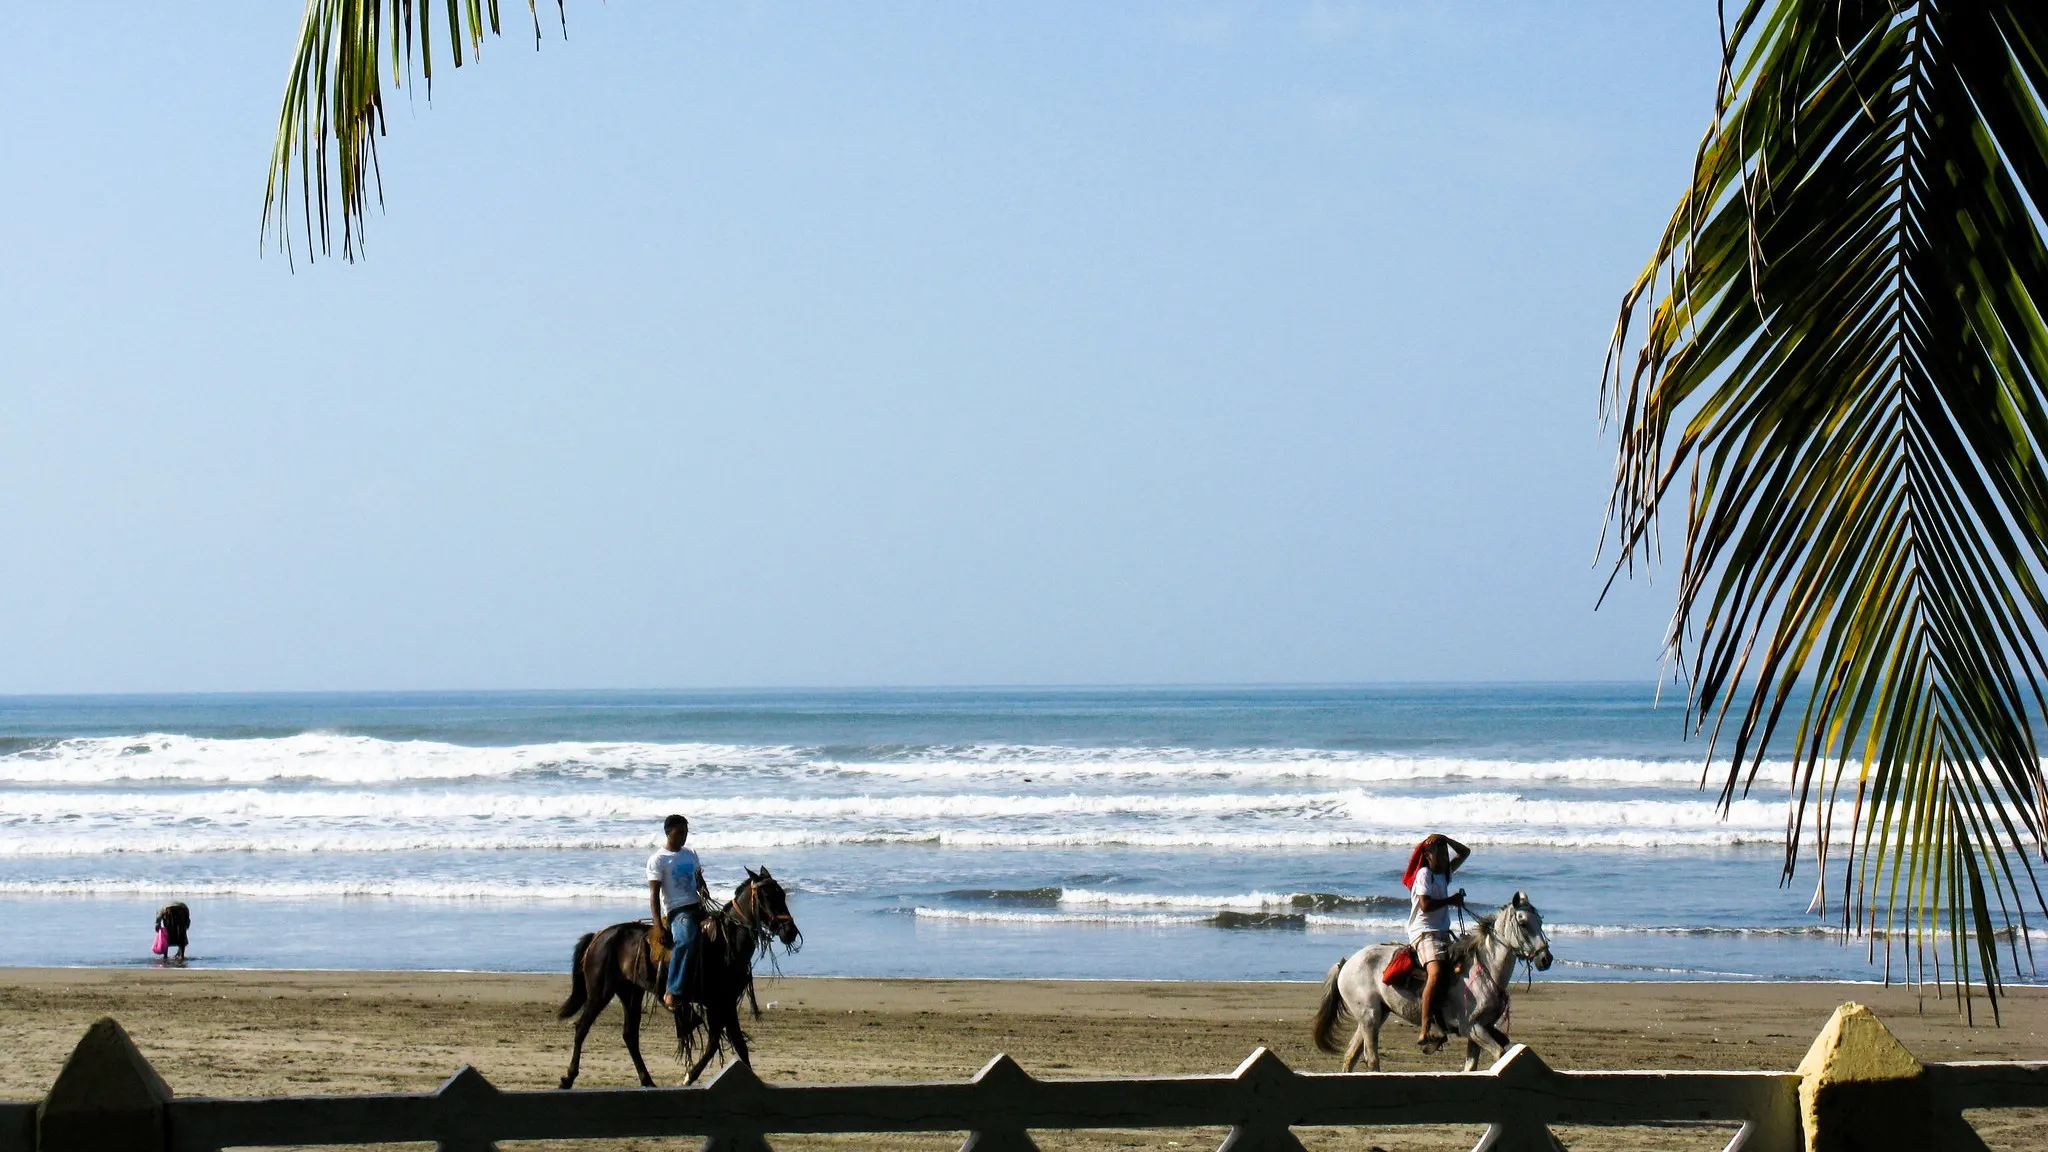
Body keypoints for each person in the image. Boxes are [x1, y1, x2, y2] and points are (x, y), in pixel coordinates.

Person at [1402, 832, 1470, 1051]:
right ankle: (1425, 1027)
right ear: (1428, 855)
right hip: (1423, 932)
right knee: (1437, 972)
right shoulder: (1424, 874)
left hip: (1442, 931)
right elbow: (1425, 905)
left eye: (1444, 852)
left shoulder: (1444, 873)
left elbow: (1465, 852)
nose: (1442, 855)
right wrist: (1452, 900)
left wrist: (1447, 839)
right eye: (1438, 852)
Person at [647, 814, 711, 1012]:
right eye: (680, 833)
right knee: (685, 940)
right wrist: (658, 926)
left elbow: (698, 878)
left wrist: (703, 889)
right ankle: (672, 990)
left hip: (698, 906)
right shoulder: (658, 860)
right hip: (678, 911)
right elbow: (654, 895)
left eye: (686, 832)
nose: (684, 836)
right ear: (669, 833)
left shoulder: (690, 853)